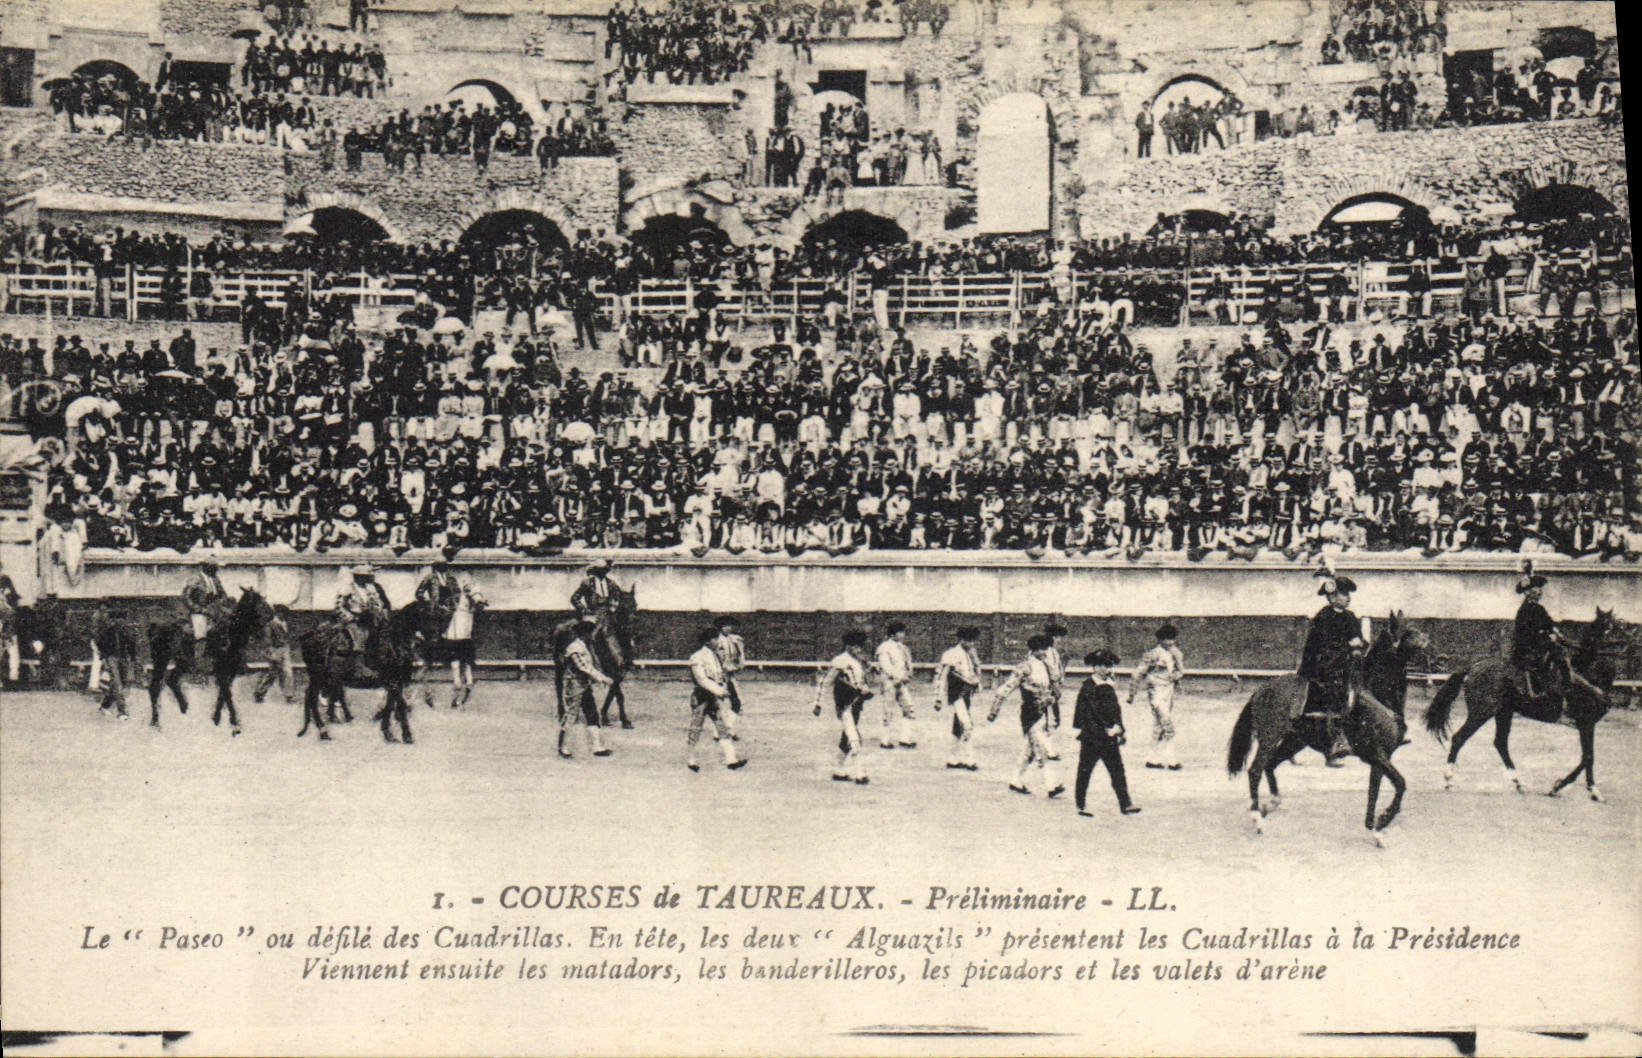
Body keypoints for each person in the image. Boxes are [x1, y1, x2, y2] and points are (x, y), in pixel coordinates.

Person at [1297, 570, 1364, 764]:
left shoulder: (1350, 616)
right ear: (1333, 597)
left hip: (1346, 665)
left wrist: (1358, 646)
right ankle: (1333, 745)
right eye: (1344, 595)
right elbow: (1321, 645)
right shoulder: (1323, 617)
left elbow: (1358, 638)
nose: (1348, 598)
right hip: (1325, 668)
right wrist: (1348, 647)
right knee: (1335, 698)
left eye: (1347, 594)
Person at [988, 634, 1066, 799]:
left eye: (1046, 648)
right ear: (1034, 650)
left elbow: (1055, 690)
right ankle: (1051, 785)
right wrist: (994, 710)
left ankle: (1016, 781)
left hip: (1043, 713)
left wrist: (1054, 696)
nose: (1044, 652)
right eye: (1041, 649)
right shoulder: (1025, 667)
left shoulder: (1046, 667)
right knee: (1041, 749)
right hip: (1030, 713)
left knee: (1028, 752)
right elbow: (1006, 688)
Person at [1073, 649, 1140, 817]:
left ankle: (1126, 804)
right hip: (1093, 738)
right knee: (1085, 771)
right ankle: (1081, 805)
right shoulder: (1088, 687)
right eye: (1102, 665)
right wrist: (1106, 730)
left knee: (1117, 771)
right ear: (1094, 667)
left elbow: (1115, 711)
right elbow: (1086, 716)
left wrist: (1119, 728)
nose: (1106, 669)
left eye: (1108, 665)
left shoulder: (1108, 685)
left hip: (1109, 736)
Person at [813, 629, 873, 785]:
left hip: (857, 703)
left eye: (860, 647)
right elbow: (825, 681)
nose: (858, 650)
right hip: (844, 703)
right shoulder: (839, 661)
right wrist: (817, 703)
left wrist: (865, 689)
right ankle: (860, 772)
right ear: (847, 646)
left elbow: (861, 682)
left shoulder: (858, 661)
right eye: (855, 647)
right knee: (854, 737)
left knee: (846, 737)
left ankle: (839, 770)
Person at [688, 627, 746, 772]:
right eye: (715, 639)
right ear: (707, 642)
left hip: (714, 698)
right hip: (702, 697)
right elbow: (701, 679)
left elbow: (721, 675)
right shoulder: (697, 657)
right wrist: (719, 690)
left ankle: (731, 760)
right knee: (696, 728)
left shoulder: (717, 656)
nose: (718, 641)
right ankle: (691, 760)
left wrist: (724, 687)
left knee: (723, 727)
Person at [1131, 623, 1185, 770]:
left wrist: (1176, 675)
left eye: (1172, 639)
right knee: (1167, 725)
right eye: (1167, 639)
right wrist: (1132, 693)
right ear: (1160, 640)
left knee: (1158, 727)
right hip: (1155, 693)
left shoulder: (1176, 654)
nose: (1170, 642)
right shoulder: (1152, 654)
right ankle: (1172, 760)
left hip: (1168, 693)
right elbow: (1138, 673)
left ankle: (1152, 759)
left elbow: (1181, 672)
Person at [560, 618, 613, 758]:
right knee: (571, 715)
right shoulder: (574, 648)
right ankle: (564, 747)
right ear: (584, 634)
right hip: (574, 686)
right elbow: (584, 667)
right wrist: (603, 678)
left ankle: (597, 747)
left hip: (584, 685)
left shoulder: (582, 646)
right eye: (589, 633)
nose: (591, 636)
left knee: (592, 714)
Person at [933, 625, 983, 770]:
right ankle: (970, 760)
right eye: (969, 640)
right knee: (967, 725)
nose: (972, 644)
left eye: (973, 641)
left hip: (966, 694)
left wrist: (975, 660)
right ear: (961, 639)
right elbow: (941, 676)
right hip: (956, 693)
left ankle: (952, 759)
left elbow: (975, 674)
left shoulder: (970, 654)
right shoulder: (951, 654)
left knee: (958, 726)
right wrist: (938, 698)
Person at [336, 564, 389, 668]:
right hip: (355, 620)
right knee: (359, 638)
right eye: (365, 576)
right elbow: (339, 607)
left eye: (368, 576)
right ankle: (358, 665)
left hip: (372, 619)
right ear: (357, 577)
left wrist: (381, 612)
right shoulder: (347, 588)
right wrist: (352, 617)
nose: (368, 578)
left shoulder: (372, 588)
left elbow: (380, 603)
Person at [874, 620, 916, 748]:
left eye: (903, 632)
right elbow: (886, 666)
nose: (903, 635)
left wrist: (908, 672)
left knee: (908, 707)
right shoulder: (884, 647)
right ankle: (885, 740)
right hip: (889, 682)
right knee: (888, 711)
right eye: (900, 632)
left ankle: (905, 738)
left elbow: (908, 664)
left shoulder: (903, 648)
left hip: (901, 682)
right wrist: (900, 676)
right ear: (892, 634)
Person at [182, 560, 231, 670]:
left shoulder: (215, 579)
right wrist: (200, 609)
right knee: (201, 636)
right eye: (214, 568)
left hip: (215, 610)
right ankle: (197, 667)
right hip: (200, 612)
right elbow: (186, 598)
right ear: (206, 568)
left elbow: (223, 594)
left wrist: (220, 602)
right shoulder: (195, 579)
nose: (216, 570)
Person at [252, 604, 294, 705]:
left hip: (285, 649)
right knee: (272, 674)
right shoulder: (271, 624)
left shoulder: (284, 623)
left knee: (287, 672)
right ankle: (259, 693)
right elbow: (268, 639)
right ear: (278, 613)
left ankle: (288, 696)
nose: (284, 616)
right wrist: (271, 653)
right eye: (283, 614)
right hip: (276, 649)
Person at [713, 615, 747, 737]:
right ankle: (722, 730)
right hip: (719, 676)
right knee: (721, 703)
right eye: (724, 626)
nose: (728, 628)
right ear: (719, 627)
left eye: (729, 625)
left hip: (729, 676)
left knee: (735, 703)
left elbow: (739, 659)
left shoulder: (734, 639)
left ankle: (726, 729)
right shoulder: (717, 641)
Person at [1040, 623, 1068, 760]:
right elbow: (1051, 672)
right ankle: (1048, 750)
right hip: (1046, 690)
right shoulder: (1045, 651)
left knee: (1051, 720)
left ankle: (1044, 748)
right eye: (1057, 636)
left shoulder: (1054, 652)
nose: (1059, 639)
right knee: (1050, 720)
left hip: (1051, 689)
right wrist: (1055, 685)